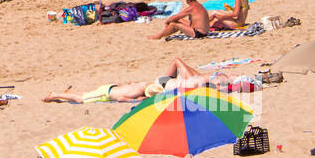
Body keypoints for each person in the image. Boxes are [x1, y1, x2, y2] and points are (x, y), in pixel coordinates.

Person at [43, 58, 207, 103]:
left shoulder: (143, 86)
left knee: (87, 94)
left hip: (109, 89)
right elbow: (122, 98)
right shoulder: (140, 89)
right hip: (109, 92)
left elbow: (126, 91)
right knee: (82, 99)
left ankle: (66, 93)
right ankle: (55, 94)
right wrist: (131, 100)